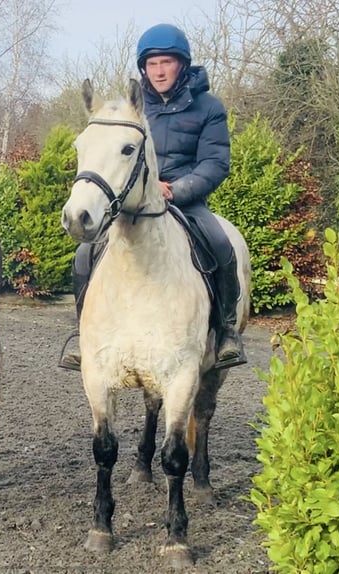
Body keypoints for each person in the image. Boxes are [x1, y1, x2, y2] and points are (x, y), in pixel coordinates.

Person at [60, 22, 246, 371]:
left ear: (182, 64)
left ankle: (225, 331)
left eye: (167, 63)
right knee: (84, 255)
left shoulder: (208, 107)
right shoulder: (131, 108)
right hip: (134, 202)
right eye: (152, 64)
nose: (159, 71)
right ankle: (82, 332)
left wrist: (176, 189)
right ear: (143, 68)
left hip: (185, 200)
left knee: (221, 245)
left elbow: (215, 163)